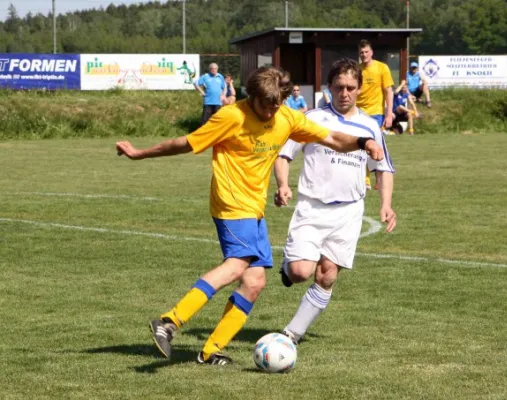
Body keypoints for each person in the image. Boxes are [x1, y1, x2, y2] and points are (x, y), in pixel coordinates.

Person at [115, 66, 386, 366]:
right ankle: (169, 321)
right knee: (235, 266)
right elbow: (185, 143)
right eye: (265, 105)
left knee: (255, 282)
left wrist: (364, 142)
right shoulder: (231, 116)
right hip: (231, 204)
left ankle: (210, 351)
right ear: (251, 96)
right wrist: (140, 153)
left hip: (254, 209)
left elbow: (333, 138)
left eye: (276, 105)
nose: (271, 113)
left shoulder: (286, 116)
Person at [273, 58, 396, 345]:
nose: (344, 93)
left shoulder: (370, 126)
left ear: (359, 89)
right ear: (329, 87)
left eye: (350, 88)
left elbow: (384, 169)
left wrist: (386, 204)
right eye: (339, 87)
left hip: (349, 212)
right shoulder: (312, 119)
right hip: (312, 207)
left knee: (327, 275)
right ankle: (288, 266)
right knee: (301, 272)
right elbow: (283, 154)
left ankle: (291, 335)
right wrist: (282, 184)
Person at [356, 39, 395, 190]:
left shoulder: (382, 68)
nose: (364, 55)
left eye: (366, 52)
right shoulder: (357, 69)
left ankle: (379, 177)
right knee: (361, 146)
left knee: (375, 146)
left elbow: (388, 91)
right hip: (358, 113)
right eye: (361, 53)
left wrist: (389, 113)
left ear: (371, 52)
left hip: (375, 114)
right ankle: (365, 180)